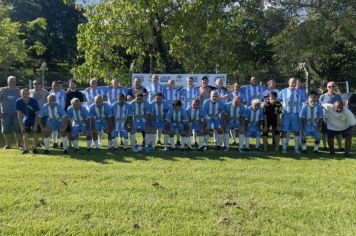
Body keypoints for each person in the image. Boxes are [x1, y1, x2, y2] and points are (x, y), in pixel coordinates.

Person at [278, 77, 307, 154]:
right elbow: (277, 100)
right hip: (286, 114)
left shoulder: (300, 92)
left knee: (296, 131)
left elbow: (306, 100)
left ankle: (296, 148)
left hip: (296, 115)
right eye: (292, 81)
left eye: (294, 81)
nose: (293, 83)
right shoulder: (283, 91)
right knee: (284, 131)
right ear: (288, 82)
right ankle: (284, 148)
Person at [319, 81, 343, 151]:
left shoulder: (338, 96)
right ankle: (325, 147)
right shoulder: (322, 97)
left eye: (333, 86)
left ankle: (340, 147)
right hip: (325, 118)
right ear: (327, 87)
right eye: (329, 86)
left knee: (338, 133)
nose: (331, 88)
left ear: (335, 87)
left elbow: (341, 107)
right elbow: (319, 108)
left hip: (336, 118)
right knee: (325, 133)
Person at [0, 76, 22, 149]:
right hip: (5, 113)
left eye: (13, 81)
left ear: (16, 82)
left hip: (17, 113)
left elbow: (22, 102)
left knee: (18, 129)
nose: (12, 83)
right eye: (10, 81)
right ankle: (8, 145)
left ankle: (19, 144)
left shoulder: (19, 90)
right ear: (7, 82)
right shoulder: (3, 90)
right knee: (6, 130)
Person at [16, 88, 40, 154]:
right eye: (23, 93)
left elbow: (37, 114)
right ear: (21, 94)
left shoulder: (34, 101)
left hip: (35, 118)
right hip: (26, 118)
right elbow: (19, 114)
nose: (25, 95)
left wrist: (35, 125)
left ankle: (35, 148)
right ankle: (26, 149)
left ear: (29, 94)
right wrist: (21, 126)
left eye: (26, 93)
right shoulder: (18, 101)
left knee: (35, 132)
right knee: (25, 133)